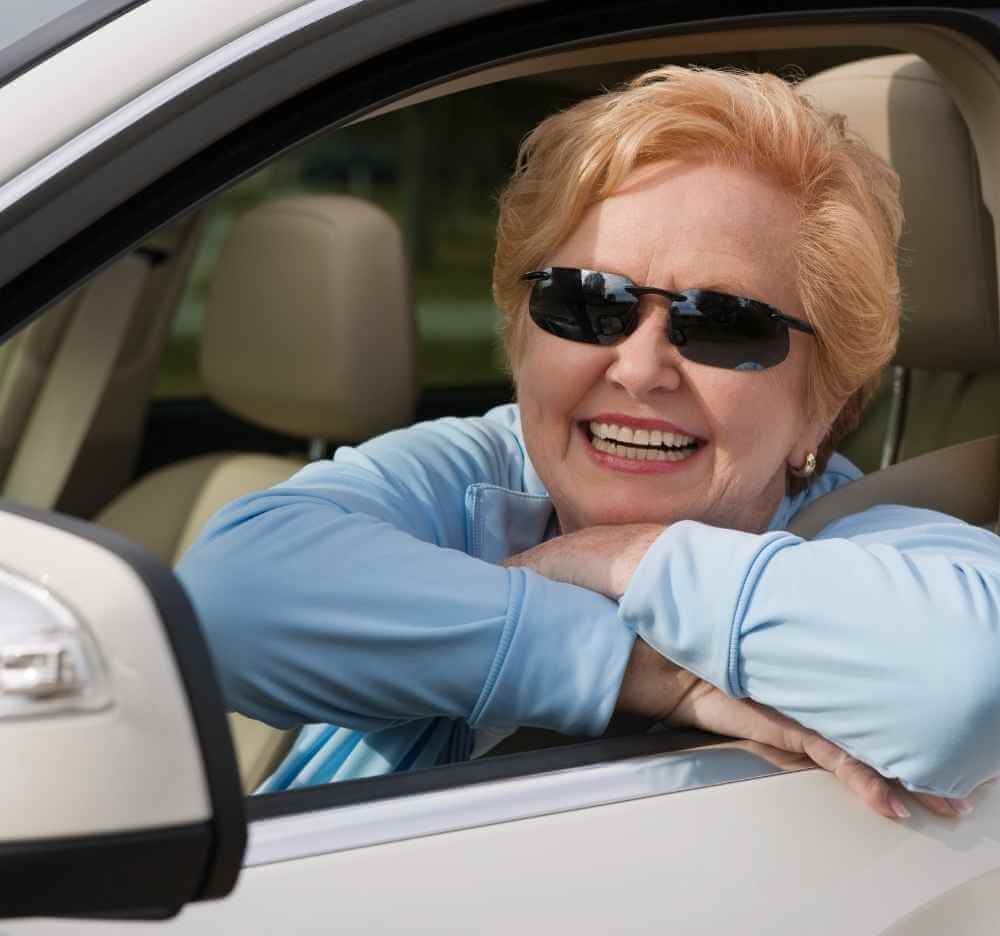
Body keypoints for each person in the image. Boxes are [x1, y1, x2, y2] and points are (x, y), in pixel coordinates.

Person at [177, 65, 1000, 817]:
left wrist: (627, 559)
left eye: (724, 322)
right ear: (520, 338)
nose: (640, 368)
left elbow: (960, 683)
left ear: (827, 405)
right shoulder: (480, 477)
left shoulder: (883, 547)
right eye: (586, 303)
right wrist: (647, 672)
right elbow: (223, 596)